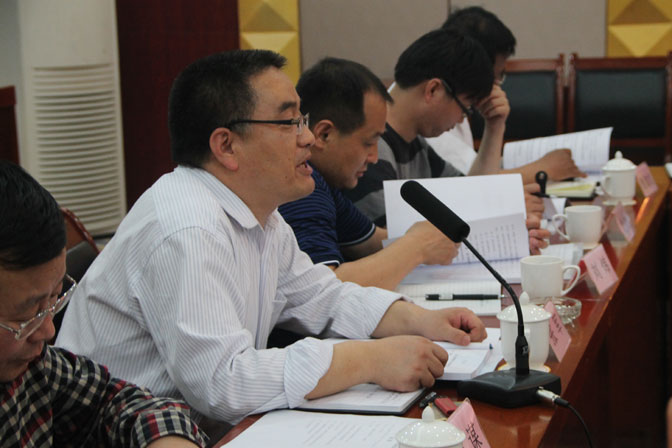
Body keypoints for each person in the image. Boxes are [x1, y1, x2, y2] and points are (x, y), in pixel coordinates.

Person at [56, 50, 487, 425]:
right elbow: (222, 382)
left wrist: (418, 320)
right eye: (288, 122)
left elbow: (322, 296)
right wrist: (367, 360)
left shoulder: (260, 213)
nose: (307, 138)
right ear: (226, 146)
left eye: (302, 119)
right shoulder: (187, 228)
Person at [0, 161, 207, 447]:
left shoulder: (34, 368)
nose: (48, 331)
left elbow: (113, 400)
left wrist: (167, 438)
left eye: (54, 298)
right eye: (27, 315)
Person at [345, 29, 549, 252]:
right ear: (433, 90)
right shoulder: (372, 152)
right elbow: (391, 246)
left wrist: (495, 126)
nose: (462, 120)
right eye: (465, 108)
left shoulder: (417, 145)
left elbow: (472, 194)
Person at [278, 57, 459, 290]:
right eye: (368, 142)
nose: (374, 157)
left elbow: (371, 241)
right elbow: (321, 290)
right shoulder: (301, 189)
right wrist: (417, 246)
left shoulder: (323, 184)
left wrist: (427, 238)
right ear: (324, 135)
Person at [431, 6, 586, 183]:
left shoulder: (458, 105)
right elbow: (468, 184)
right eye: (495, 76)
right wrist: (544, 169)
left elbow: (474, 178)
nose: (496, 85)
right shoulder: (435, 117)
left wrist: (495, 126)